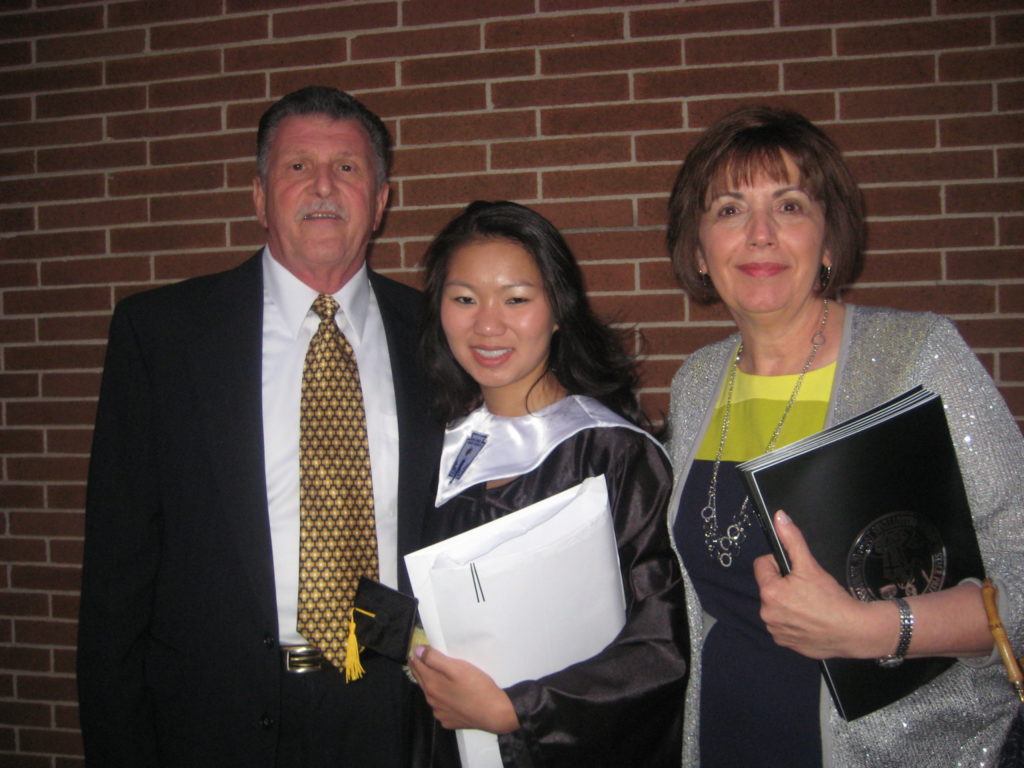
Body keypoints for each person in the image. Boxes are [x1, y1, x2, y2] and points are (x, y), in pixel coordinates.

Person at [77, 85, 442, 768]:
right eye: (298, 167)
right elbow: (114, 584)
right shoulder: (163, 337)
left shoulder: (439, 336)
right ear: (258, 196)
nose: (324, 187)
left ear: (382, 200)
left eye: (349, 168)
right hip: (215, 718)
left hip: (397, 713)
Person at [664, 105, 1024, 767]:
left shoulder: (916, 356)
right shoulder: (696, 383)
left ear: (829, 241)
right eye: (730, 210)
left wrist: (868, 629)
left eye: (791, 206)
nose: (762, 235)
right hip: (726, 740)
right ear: (698, 249)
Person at [408, 200, 689, 766]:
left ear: (559, 309)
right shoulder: (427, 448)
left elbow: (660, 644)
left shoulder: (611, 453)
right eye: (464, 299)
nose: (487, 324)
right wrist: (412, 644)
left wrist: (519, 710)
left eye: (516, 299)